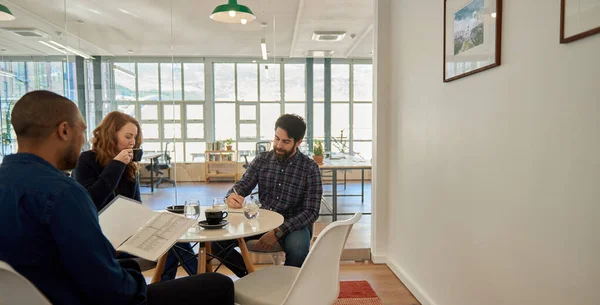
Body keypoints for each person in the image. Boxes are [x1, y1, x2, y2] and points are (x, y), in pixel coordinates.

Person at [0, 90, 234, 305]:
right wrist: (137, 281)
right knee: (218, 284)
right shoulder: (63, 193)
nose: (83, 138)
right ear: (64, 131)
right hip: (88, 297)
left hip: (44, 291)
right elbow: (111, 287)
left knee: (145, 262)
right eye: (82, 130)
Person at [74, 111, 198, 281]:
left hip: (128, 231)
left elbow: (135, 205)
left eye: (135, 137)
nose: (133, 142)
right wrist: (116, 165)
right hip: (102, 236)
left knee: (174, 236)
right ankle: (201, 282)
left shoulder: (129, 166)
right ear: (111, 134)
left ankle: (164, 288)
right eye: (128, 136)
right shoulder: (87, 160)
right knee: (174, 245)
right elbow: (91, 200)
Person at [212, 114, 323, 278]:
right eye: (276, 138)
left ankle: (287, 288)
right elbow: (242, 186)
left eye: (285, 142)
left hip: (293, 224)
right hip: (263, 220)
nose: (278, 145)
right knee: (216, 244)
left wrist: (278, 232)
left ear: (298, 142)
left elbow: (311, 212)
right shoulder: (262, 160)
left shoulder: (310, 168)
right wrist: (232, 196)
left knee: (298, 250)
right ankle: (250, 277)